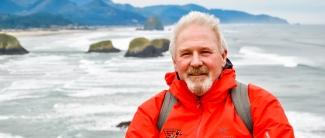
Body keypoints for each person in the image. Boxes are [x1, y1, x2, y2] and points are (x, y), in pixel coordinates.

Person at [125, 11, 294, 138]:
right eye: (186, 54)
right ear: (175, 62)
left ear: (223, 56)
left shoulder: (259, 105)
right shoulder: (152, 112)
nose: (196, 62)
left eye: (205, 52)